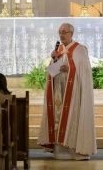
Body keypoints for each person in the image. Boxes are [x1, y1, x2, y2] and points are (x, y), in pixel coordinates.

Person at [37, 23, 97, 160]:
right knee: (59, 119)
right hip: (61, 93)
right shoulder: (60, 48)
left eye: (64, 32)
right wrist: (54, 60)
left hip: (75, 94)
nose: (61, 35)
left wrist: (69, 69)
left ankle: (76, 151)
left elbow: (85, 74)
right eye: (59, 32)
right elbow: (53, 72)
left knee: (72, 118)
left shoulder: (80, 50)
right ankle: (61, 150)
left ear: (71, 34)